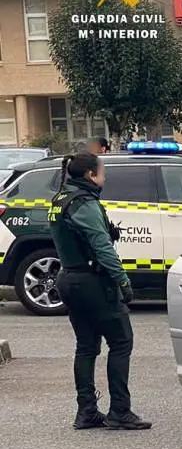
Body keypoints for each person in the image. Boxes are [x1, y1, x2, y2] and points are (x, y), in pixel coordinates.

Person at [48, 153, 151, 430]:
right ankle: (120, 411)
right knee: (121, 342)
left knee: (86, 347)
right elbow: (102, 247)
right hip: (93, 282)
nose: (104, 177)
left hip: (69, 278)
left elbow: (75, 236)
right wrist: (123, 281)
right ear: (91, 175)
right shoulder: (85, 203)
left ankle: (86, 411)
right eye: (102, 172)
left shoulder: (60, 199)